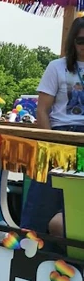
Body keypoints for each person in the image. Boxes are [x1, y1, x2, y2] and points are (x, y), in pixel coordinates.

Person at [21, 17, 84, 237]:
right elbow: (42, 110)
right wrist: (50, 143)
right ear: (72, 41)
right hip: (60, 135)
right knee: (42, 200)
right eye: (81, 41)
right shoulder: (56, 66)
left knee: (77, 204)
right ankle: (32, 249)